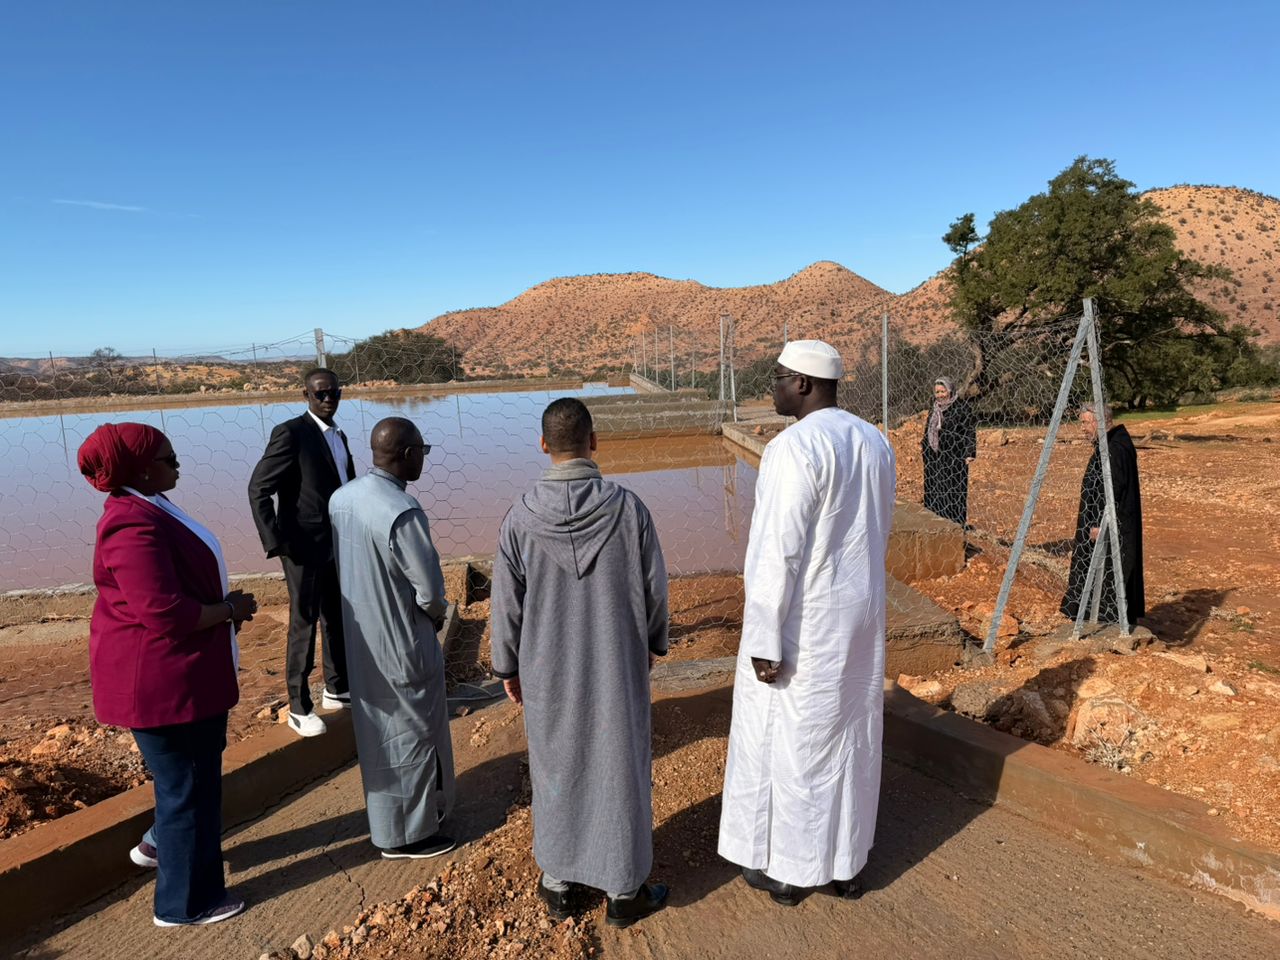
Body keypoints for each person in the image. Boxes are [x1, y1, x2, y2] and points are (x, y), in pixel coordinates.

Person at [718, 339, 897, 906]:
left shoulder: (794, 448)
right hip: (859, 618)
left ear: (802, 384)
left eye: (777, 378)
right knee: (850, 737)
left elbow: (778, 552)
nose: (771, 388)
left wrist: (764, 636)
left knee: (799, 743)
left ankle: (794, 870)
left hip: (807, 624)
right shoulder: (875, 441)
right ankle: (846, 862)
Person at [490, 397, 670, 929]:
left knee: (556, 764)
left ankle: (559, 884)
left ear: (543, 444)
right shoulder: (629, 510)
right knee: (619, 764)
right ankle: (624, 890)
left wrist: (507, 667)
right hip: (617, 664)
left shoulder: (519, 517)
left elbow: (506, 605)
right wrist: (654, 643)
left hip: (546, 670)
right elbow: (655, 589)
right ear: (593, 441)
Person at [78, 422, 257, 926]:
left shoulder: (148, 505)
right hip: (165, 686)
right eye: (169, 459)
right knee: (189, 789)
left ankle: (160, 845)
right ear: (141, 469)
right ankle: (184, 905)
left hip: (182, 678)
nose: (178, 466)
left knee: (186, 782)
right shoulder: (130, 524)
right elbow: (164, 612)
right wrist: (228, 609)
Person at [328, 417, 457, 859]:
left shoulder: (343, 498)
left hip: (361, 639)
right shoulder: (401, 510)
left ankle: (388, 823)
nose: (424, 458)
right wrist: (436, 615)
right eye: (423, 450)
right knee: (414, 733)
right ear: (407, 454)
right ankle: (410, 836)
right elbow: (430, 590)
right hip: (402, 638)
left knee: (378, 735)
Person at [248, 368, 356, 737]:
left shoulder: (338, 435)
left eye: (333, 393)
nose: (327, 400)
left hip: (337, 542)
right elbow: (259, 489)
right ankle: (298, 705)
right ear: (305, 395)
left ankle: (336, 688)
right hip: (302, 547)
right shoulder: (292, 433)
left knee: (337, 616)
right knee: (304, 622)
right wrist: (277, 541)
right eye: (319, 394)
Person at [1060, 405, 1145, 626]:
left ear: (1098, 421)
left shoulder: (1114, 449)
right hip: (1108, 521)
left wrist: (1100, 524)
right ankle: (1102, 616)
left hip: (1110, 525)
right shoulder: (1112, 444)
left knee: (1109, 570)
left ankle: (1109, 620)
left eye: (1084, 422)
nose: (1082, 428)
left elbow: (1112, 488)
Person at [921, 376, 977, 527]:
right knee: (934, 487)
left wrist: (969, 452)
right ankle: (934, 521)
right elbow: (929, 429)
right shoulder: (934, 408)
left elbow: (969, 430)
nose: (940, 395)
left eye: (942, 391)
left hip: (954, 456)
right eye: (937, 392)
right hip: (934, 456)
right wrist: (925, 448)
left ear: (950, 390)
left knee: (953, 489)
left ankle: (954, 525)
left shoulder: (961, 407)